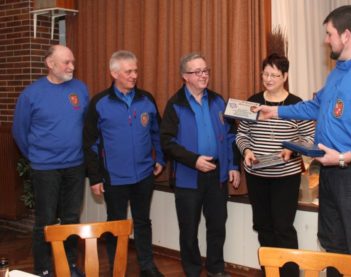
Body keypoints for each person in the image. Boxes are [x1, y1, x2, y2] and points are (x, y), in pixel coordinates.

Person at [255, 5, 351, 277]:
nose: (326, 40)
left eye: (329, 33)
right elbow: (316, 106)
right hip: (331, 171)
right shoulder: (338, 72)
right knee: (333, 245)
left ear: (345, 36)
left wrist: (347, 156)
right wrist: (275, 111)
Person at [83, 50, 165, 277]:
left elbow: (157, 132)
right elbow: (90, 143)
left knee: (142, 222)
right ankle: (115, 268)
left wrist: (159, 157)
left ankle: (147, 266)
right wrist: (95, 177)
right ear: (114, 73)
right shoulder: (99, 103)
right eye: (129, 71)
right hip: (114, 177)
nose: (134, 75)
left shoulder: (146, 99)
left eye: (136, 70)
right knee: (115, 225)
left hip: (144, 176)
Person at [160, 52, 241, 277]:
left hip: (217, 174)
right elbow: (166, 142)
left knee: (217, 227)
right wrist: (193, 160)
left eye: (206, 70)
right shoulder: (175, 104)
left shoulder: (218, 101)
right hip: (188, 176)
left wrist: (233, 166)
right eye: (198, 72)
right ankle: (192, 271)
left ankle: (216, 269)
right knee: (189, 231)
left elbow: (232, 135)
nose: (204, 75)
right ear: (185, 76)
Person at [12, 45, 89, 277]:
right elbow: (19, 132)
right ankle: (42, 269)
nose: (72, 67)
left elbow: (88, 125)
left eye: (73, 61)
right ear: (50, 63)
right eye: (66, 62)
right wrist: (37, 157)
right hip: (45, 169)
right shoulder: (31, 94)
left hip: (75, 166)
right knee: (45, 221)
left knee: (71, 219)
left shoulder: (80, 88)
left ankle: (70, 266)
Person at [236, 53, 315, 277]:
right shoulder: (252, 102)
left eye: (274, 75)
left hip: (285, 177)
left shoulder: (296, 105)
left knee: (283, 228)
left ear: (285, 76)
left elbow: (309, 137)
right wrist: (247, 151)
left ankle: (289, 273)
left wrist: (292, 148)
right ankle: (269, 271)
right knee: (263, 226)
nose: (268, 79)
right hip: (256, 175)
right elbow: (241, 135)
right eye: (265, 74)